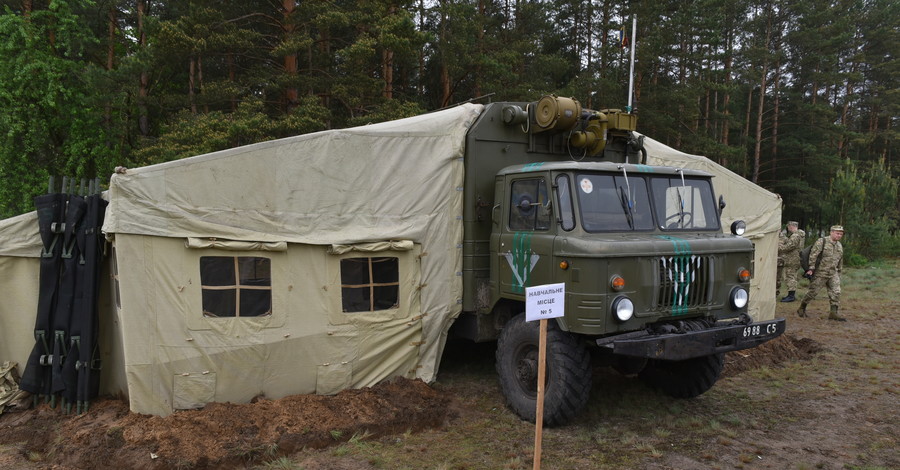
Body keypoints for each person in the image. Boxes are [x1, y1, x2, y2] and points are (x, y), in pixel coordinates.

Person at [797, 225, 846, 321]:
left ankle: (833, 313)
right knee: (813, 292)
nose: (839, 235)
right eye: (837, 233)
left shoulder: (839, 245)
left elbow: (840, 259)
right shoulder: (822, 241)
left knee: (836, 292)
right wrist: (811, 268)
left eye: (841, 234)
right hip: (821, 272)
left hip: (833, 272)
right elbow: (813, 255)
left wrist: (839, 271)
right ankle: (802, 307)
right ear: (831, 232)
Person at [777, 221, 805, 302]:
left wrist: (779, 247)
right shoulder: (799, 235)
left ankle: (791, 296)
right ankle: (791, 295)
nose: (788, 228)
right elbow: (789, 241)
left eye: (788, 227)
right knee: (791, 276)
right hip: (795, 258)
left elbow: (789, 246)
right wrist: (781, 235)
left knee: (790, 277)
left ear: (791, 226)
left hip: (792, 259)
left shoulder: (795, 235)